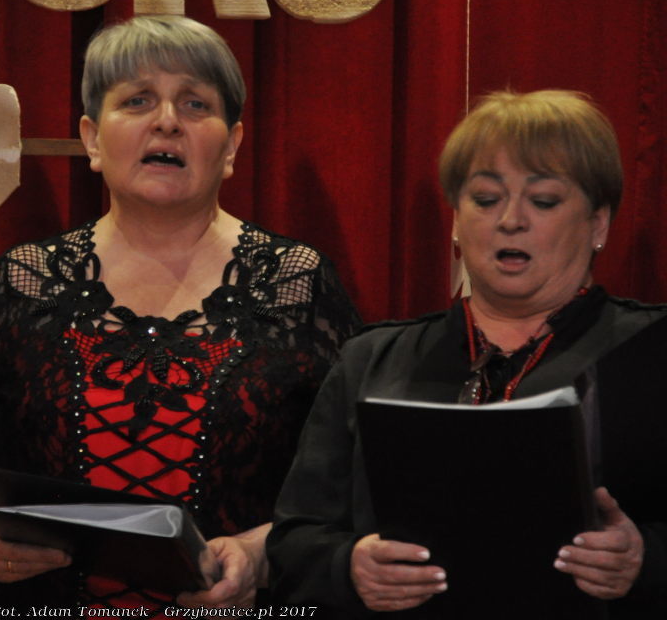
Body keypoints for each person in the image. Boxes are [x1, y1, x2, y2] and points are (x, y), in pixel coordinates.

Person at [0, 14, 361, 613]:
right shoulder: (24, 281)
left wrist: (259, 554)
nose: (168, 121)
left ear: (231, 146)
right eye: (138, 100)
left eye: (196, 104)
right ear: (92, 140)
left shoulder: (297, 283)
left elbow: (354, 486)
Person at [267, 90, 667, 618]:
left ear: (598, 224)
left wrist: (645, 561)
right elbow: (292, 542)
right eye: (485, 198)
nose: (511, 220)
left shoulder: (651, 354)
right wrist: (348, 566)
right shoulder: (371, 359)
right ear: (456, 221)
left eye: (543, 201)